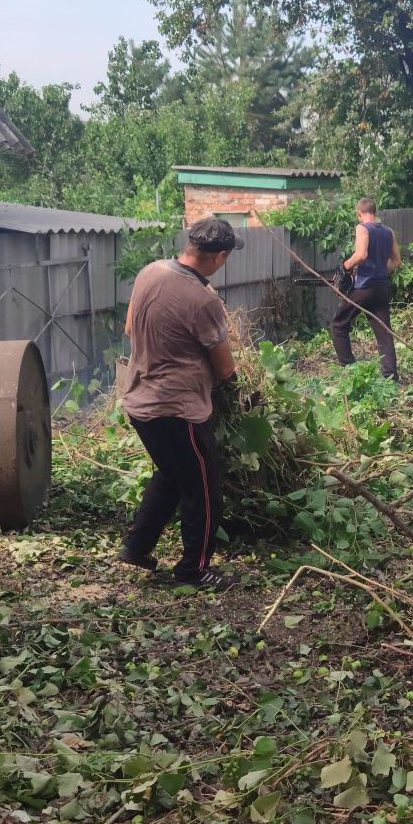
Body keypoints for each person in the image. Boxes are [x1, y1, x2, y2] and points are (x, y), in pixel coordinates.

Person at [117, 217, 244, 590]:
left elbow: (129, 328)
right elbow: (224, 368)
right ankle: (193, 570)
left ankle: (137, 547)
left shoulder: (150, 272)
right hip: (178, 411)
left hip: (139, 403)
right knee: (204, 490)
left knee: (171, 474)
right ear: (220, 256)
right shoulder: (204, 300)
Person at [330, 197, 402, 380]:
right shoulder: (388, 231)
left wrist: (345, 267)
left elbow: (361, 255)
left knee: (339, 324)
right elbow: (396, 261)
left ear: (359, 213)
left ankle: (349, 369)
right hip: (382, 289)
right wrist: (380, 270)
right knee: (384, 334)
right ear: (375, 212)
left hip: (365, 289)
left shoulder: (362, 228)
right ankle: (390, 376)